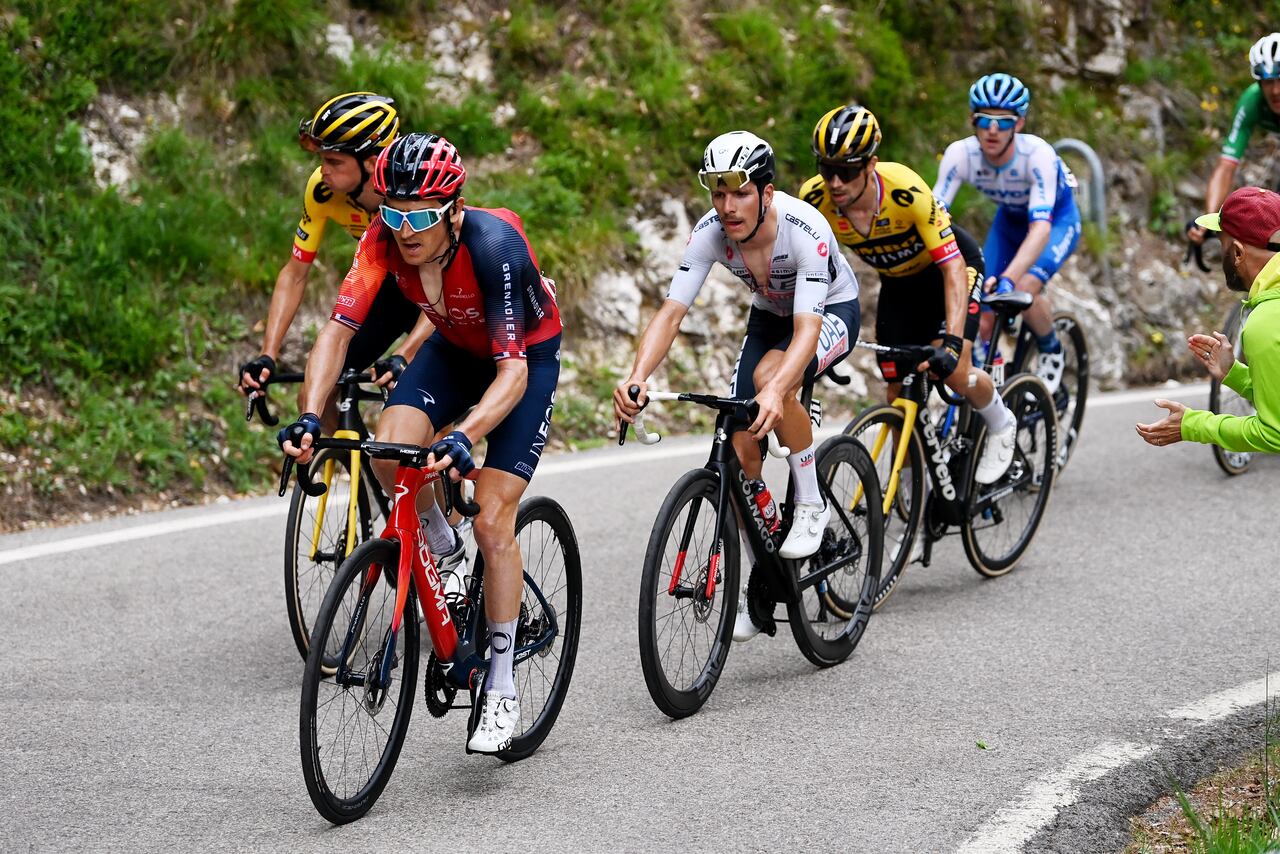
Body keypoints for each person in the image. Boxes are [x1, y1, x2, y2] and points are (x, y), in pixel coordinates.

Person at [278, 133, 564, 754]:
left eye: (420, 216)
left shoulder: (496, 246)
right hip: (452, 350)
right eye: (394, 211)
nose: (404, 229)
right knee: (387, 450)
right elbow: (336, 332)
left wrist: (464, 433)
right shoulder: (381, 239)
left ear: (454, 212)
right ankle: (440, 544)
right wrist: (307, 415)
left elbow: (511, 373)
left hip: (522, 361)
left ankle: (500, 679)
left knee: (492, 524)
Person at [612, 130, 860, 642]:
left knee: (772, 381)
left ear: (766, 193)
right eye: (718, 193)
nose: (727, 206)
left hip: (828, 311)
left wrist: (775, 392)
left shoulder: (803, 227)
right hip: (771, 316)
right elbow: (671, 312)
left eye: (739, 192)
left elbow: (808, 329)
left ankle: (810, 500)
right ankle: (763, 577)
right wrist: (637, 377)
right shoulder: (710, 232)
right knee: (741, 443)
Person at [800, 104, 1016, 486]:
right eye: (827, 169)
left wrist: (951, 342)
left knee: (955, 371)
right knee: (896, 392)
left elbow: (951, 269)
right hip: (898, 284)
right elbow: (816, 271)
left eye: (847, 171)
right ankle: (914, 493)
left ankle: (1001, 422)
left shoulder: (906, 191)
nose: (835, 183)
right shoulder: (814, 200)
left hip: (950, 270)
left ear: (871, 165)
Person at [238, 93, 423, 419]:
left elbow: (445, 288)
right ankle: (356, 466)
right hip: (386, 290)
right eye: (322, 159)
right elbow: (295, 273)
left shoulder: (412, 192)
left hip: (435, 296)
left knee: (425, 407)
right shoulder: (323, 191)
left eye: (334, 162)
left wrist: (406, 354)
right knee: (314, 397)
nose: (323, 171)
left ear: (371, 163)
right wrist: (269, 354)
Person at [933, 73, 1081, 394]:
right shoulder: (961, 155)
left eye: (1004, 121)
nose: (992, 130)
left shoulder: (1037, 154)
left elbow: (1040, 228)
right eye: (984, 120)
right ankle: (995, 378)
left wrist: (1010, 277)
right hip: (1009, 222)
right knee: (984, 307)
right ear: (973, 120)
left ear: (1020, 123)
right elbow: (935, 215)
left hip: (1056, 222)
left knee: (1023, 287)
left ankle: (1052, 350)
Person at [1137, 186, 1280, 453]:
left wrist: (1192, 425)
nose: (1220, 253)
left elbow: (1276, 433)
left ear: (1237, 253)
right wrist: (1233, 374)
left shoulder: (1267, 321)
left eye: (1222, 243)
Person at [1187, 35, 1280, 247]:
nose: (1275, 90)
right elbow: (1226, 166)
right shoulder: (1251, 102)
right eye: (1267, 82)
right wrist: (1208, 220)